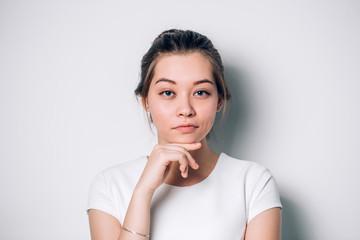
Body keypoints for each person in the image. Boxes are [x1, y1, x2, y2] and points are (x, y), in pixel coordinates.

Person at [87, 29, 282, 240]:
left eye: (201, 92)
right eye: (168, 93)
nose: (185, 109)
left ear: (219, 100)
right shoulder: (110, 185)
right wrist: (142, 192)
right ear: (146, 101)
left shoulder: (253, 183)